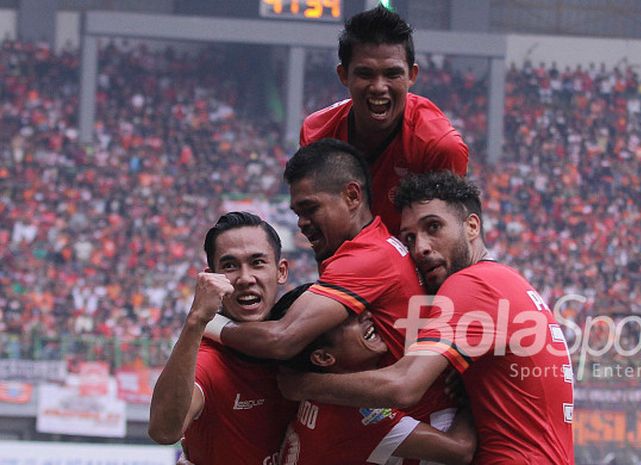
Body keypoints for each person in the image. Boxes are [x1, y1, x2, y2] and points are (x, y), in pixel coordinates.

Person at [278, 171, 575, 465]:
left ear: (472, 226)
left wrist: (303, 385)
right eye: (409, 237)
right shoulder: (507, 282)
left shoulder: (472, 284)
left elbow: (404, 385)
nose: (420, 247)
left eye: (433, 227)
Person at [204, 139, 454, 428]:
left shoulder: (366, 258)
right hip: (409, 423)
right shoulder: (377, 246)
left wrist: (207, 324)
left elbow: (282, 338)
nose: (301, 222)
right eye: (298, 213)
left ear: (351, 196)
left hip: (418, 429)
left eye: (310, 208)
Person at [300, 6, 469, 235]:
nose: (379, 87)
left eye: (392, 74)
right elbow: (321, 230)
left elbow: (445, 243)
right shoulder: (316, 134)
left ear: (412, 76)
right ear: (343, 75)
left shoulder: (439, 146)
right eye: (365, 74)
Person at [148, 212, 297, 465]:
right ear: (211, 277)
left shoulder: (302, 338)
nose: (245, 278)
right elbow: (164, 431)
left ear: (281, 271)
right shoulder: (208, 362)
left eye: (258, 262)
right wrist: (196, 320)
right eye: (230, 266)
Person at [278, 286, 476, 465]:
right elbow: (460, 450)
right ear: (323, 357)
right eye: (346, 318)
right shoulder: (353, 413)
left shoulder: (319, 396)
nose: (364, 313)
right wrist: (473, 389)